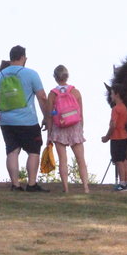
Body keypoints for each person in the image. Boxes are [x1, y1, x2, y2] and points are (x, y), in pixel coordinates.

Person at [0, 45, 50, 192]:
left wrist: (2, 105)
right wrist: (46, 117)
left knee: (12, 151)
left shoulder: (0, 75)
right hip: (28, 120)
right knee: (33, 151)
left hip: (6, 121)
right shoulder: (31, 74)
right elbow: (42, 97)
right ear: (23, 57)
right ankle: (32, 184)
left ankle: (15, 184)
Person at [46, 65, 89, 194]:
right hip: (74, 126)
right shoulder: (75, 92)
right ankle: (86, 187)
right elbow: (80, 113)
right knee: (81, 159)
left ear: (55, 77)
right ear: (67, 76)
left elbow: (49, 115)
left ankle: (66, 188)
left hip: (60, 127)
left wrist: (49, 132)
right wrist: (81, 128)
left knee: (62, 159)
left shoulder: (52, 94)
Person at [102, 86, 127, 191]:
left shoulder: (116, 108)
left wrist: (107, 137)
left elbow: (113, 125)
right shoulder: (124, 107)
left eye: (112, 93)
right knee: (124, 159)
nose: (111, 96)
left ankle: (122, 183)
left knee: (118, 160)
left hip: (117, 137)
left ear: (117, 94)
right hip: (124, 135)